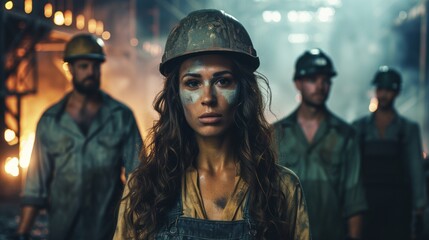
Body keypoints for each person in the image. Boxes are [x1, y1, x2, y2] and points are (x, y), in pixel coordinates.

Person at [114, 9, 310, 240]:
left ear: (243, 92)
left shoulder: (281, 189)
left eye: (223, 81)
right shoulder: (146, 188)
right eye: (193, 83)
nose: (208, 97)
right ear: (176, 95)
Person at [15, 34, 143, 240]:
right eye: (84, 66)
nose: (91, 72)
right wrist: (22, 233)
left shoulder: (121, 117)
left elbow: (137, 178)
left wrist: (138, 229)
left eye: (95, 66)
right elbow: (35, 186)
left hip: (108, 231)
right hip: (63, 231)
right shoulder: (50, 121)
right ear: (70, 68)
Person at [273, 48, 367, 240]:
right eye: (312, 80)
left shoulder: (346, 135)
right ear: (298, 83)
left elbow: (354, 199)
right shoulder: (275, 134)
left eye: (325, 80)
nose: (320, 86)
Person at [352, 66, 427, 240]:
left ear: (397, 92)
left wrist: (419, 208)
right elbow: (352, 170)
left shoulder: (408, 129)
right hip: (365, 204)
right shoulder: (360, 128)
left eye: (389, 90)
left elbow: (416, 169)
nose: (384, 94)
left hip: (397, 206)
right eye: (381, 89)